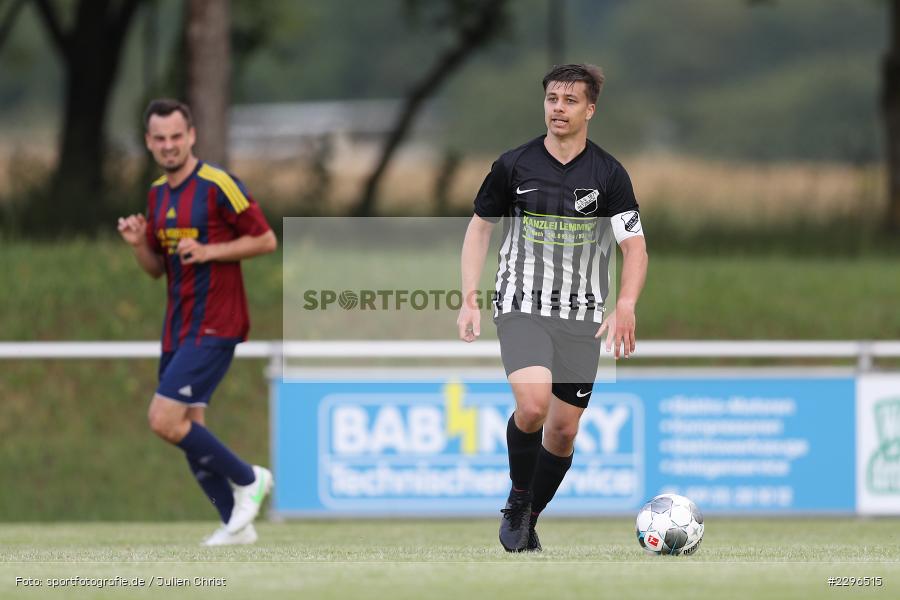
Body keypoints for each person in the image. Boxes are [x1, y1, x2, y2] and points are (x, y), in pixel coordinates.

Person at [457, 64, 648, 552]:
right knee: (534, 405)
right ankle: (518, 501)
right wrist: (469, 297)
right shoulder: (513, 164)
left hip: (582, 316)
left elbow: (635, 248)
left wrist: (625, 304)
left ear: (590, 109)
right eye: (552, 99)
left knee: (562, 432)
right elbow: (480, 227)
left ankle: (529, 516)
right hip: (520, 303)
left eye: (569, 100)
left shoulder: (609, 174)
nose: (558, 108)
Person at [118, 99, 278, 546]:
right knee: (189, 426)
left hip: (217, 323)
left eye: (176, 136)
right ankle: (234, 524)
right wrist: (136, 244)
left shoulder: (217, 184)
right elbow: (156, 269)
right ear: (149, 143)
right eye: (160, 138)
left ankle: (250, 479)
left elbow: (265, 239)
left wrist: (210, 251)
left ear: (191, 136)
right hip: (178, 325)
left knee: (163, 419)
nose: (169, 145)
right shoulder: (156, 194)